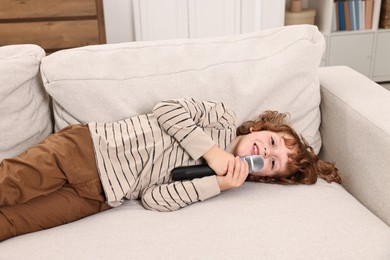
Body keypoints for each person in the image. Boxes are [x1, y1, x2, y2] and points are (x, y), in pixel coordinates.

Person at [0, 98, 341, 241]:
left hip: (99, 196)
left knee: (15, 223)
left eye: (272, 162)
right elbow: (167, 109)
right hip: (85, 150)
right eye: (271, 142)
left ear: (262, 176)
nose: (266, 152)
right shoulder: (219, 117)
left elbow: (155, 198)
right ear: (257, 129)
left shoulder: (215, 180)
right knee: (8, 184)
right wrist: (211, 152)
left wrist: (218, 184)